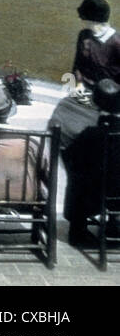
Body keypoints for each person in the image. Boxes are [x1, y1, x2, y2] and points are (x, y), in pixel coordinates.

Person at [62, 78, 120, 246]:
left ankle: (78, 231)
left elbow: (72, 159)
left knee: (77, 179)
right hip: (116, 194)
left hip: (95, 193)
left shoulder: (90, 134)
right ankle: (114, 224)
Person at [72, 0, 119, 92]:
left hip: (109, 96)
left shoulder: (116, 42)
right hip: (85, 91)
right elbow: (78, 65)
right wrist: (79, 84)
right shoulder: (84, 36)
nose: (80, 18)